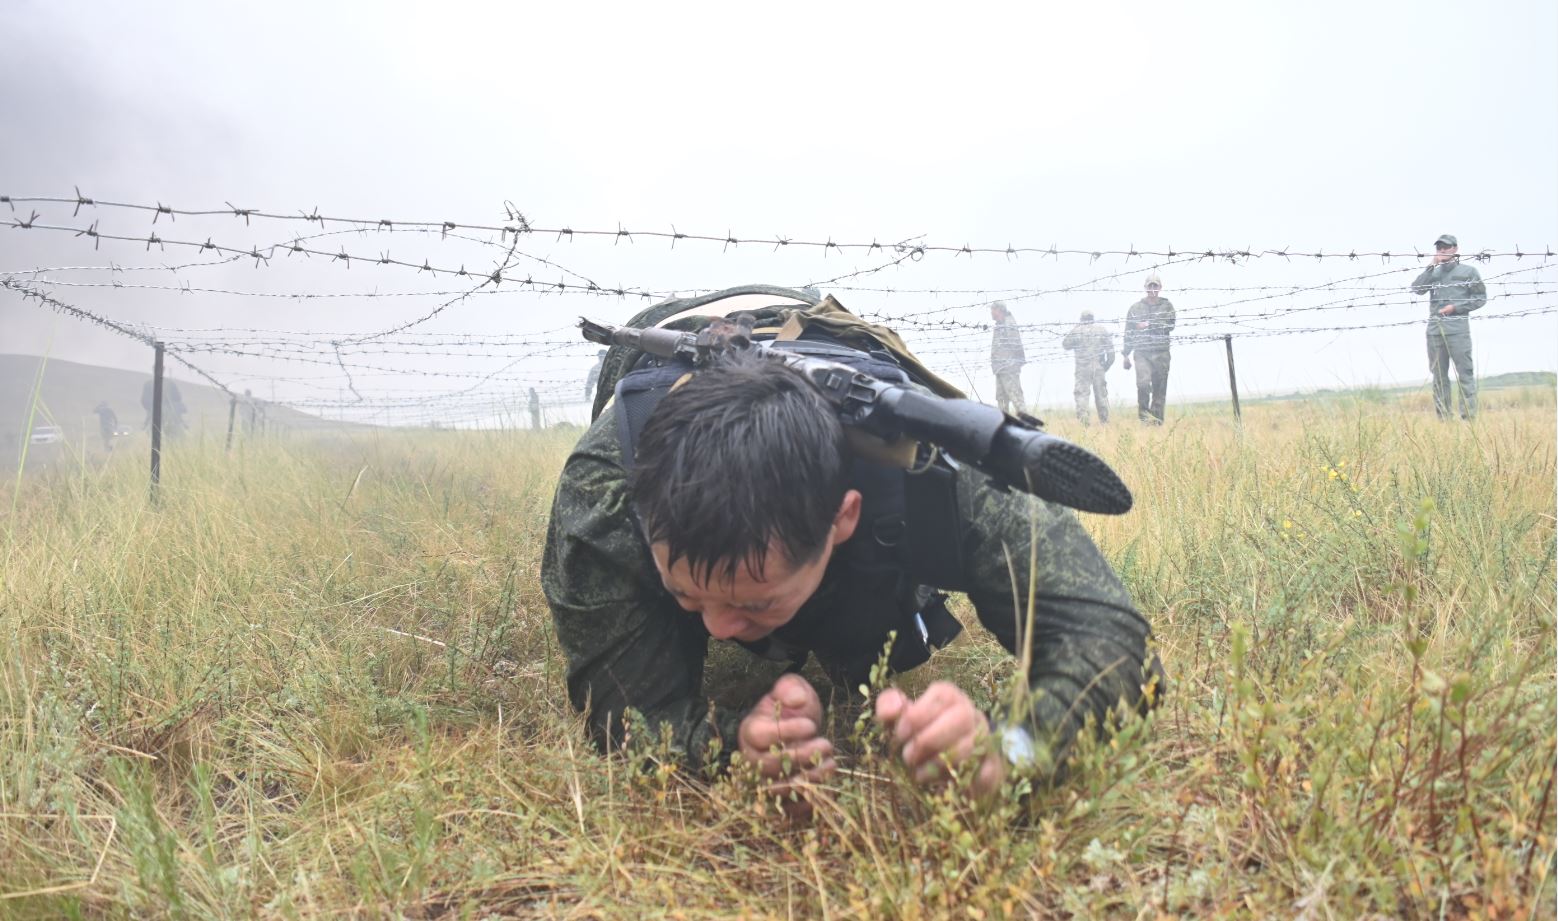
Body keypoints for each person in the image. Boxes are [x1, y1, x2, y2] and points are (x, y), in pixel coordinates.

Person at [542, 291, 1159, 813]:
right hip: (681, 331)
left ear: (844, 519)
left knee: (857, 640)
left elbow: (1113, 649)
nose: (719, 627)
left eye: (754, 601)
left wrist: (1015, 748)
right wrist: (731, 748)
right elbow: (624, 721)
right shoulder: (605, 493)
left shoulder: (942, 467)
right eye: (685, 594)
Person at [1411, 234, 1486, 420]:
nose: (1442, 251)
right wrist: (1430, 266)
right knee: (1438, 377)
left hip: (1458, 331)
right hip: (1435, 332)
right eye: (1439, 248)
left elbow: (1480, 298)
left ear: (1455, 249)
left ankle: (1468, 419)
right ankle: (1444, 420)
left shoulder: (1469, 272)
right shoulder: (1433, 273)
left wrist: (1456, 308)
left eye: (1446, 247)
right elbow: (1418, 289)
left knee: (1465, 375)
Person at [1121, 274, 1176, 424]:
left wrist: (1149, 324)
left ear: (1160, 287)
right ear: (1145, 287)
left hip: (1161, 352)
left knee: (1159, 389)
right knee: (1143, 385)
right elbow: (1129, 332)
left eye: (1155, 286)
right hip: (1142, 353)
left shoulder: (1167, 306)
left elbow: (1170, 325)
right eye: (1150, 286)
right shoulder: (1135, 308)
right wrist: (1126, 354)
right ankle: (1144, 420)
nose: (1152, 289)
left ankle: (1157, 423)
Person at [1061, 310, 1115, 425]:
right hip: (1098, 366)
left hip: (1082, 368)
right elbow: (1111, 353)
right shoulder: (1101, 330)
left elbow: (1065, 345)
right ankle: (1104, 422)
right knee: (1101, 395)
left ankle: (1084, 422)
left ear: (1081, 319)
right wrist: (1106, 366)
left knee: (1082, 395)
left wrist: (1076, 328)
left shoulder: (1077, 331)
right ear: (1093, 318)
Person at [988, 301, 1026, 414]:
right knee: (1001, 400)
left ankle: (1028, 425)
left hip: (1009, 368)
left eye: (992, 310)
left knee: (1016, 398)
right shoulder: (1000, 324)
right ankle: (1004, 427)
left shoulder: (1008, 324)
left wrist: (1016, 362)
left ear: (999, 310)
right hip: (1001, 368)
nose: (991, 312)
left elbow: (1016, 344)